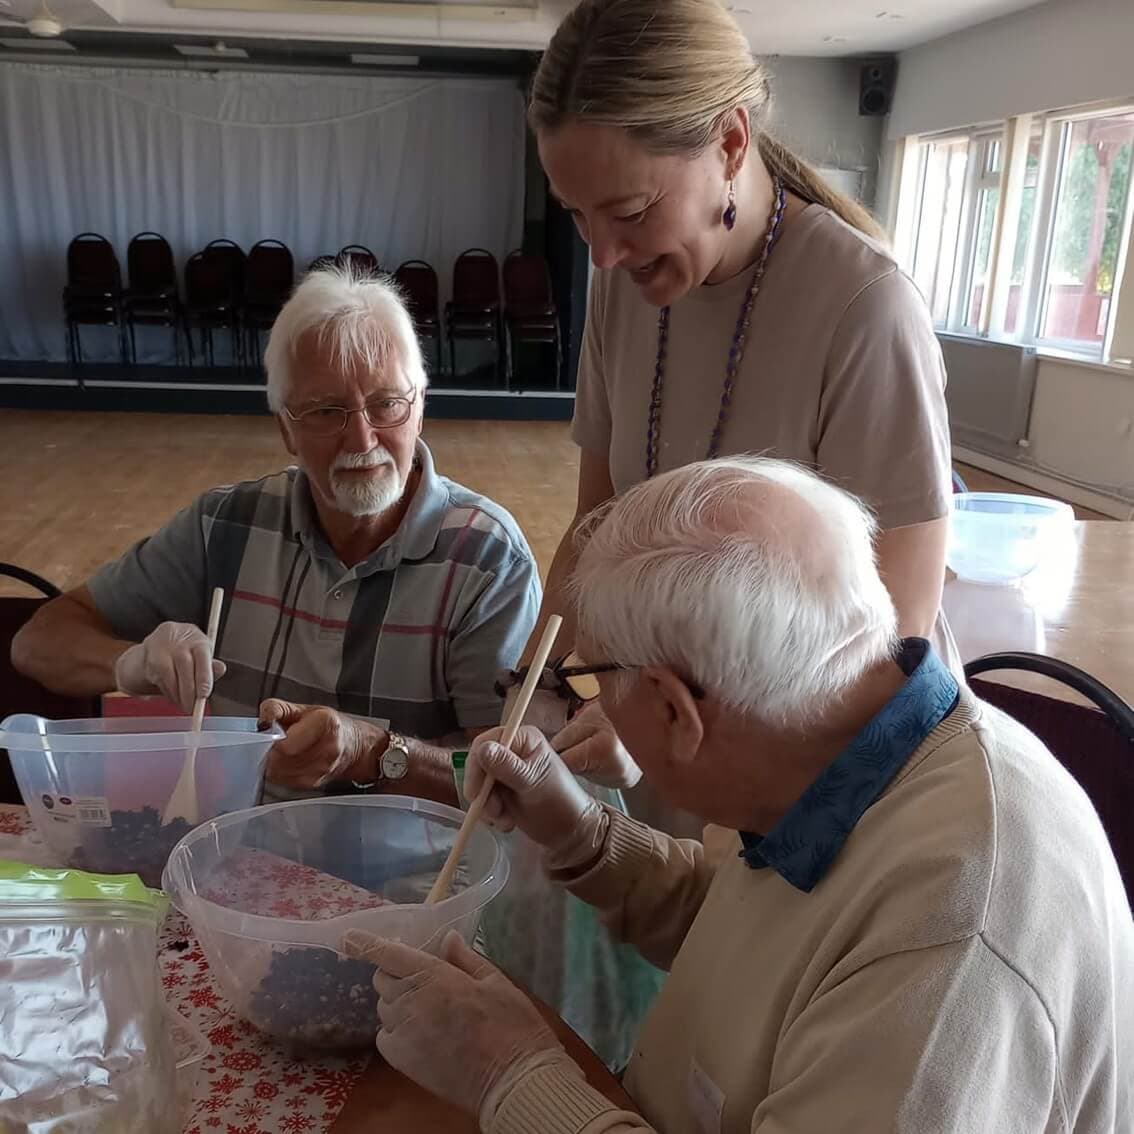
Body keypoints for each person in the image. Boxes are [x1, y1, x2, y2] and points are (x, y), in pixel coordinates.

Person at [345, 456, 1134, 1134]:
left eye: (586, 680)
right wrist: (579, 830)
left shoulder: (954, 938)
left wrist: (509, 1076)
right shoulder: (829, 741)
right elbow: (763, 944)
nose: (584, 702)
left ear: (674, 710)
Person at [510, 0, 957, 835]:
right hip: (669, 735)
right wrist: (533, 700)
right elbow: (591, 531)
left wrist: (662, 727)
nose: (601, 254)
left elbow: (895, 640)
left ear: (730, 143)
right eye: (578, 214)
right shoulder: (623, 283)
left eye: (632, 211)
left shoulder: (864, 306)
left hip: (813, 787)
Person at [12, 266, 540, 803]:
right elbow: (38, 642)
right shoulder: (226, 524)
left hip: (419, 878)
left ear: (420, 407)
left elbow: (514, 788)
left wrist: (378, 754)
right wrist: (131, 663)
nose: (362, 437)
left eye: (386, 404)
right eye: (326, 410)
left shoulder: (487, 558)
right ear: (285, 427)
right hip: (237, 858)